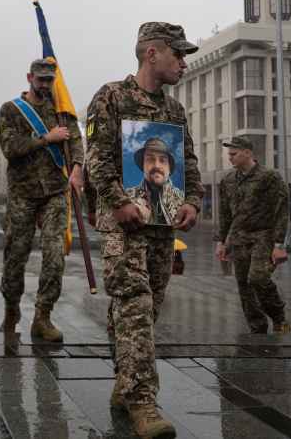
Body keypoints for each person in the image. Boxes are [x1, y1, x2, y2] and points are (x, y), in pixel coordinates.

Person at [85, 22, 203, 438]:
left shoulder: (174, 112)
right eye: (178, 53)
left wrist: (192, 201)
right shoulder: (111, 96)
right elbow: (96, 158)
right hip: (122, 222)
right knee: (133, 299)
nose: (184, 62)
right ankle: (143, 402)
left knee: (147, 307)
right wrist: (119, 202)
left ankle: (125, 379)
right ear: (152, 53)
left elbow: (188, 161)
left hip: (161, 223)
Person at [0, 59, 83, 341]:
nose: (45, 85)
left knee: (55, 255)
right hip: (23, 192)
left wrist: (78, 167)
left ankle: (42, 316)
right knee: (15, 256)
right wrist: (46, 138)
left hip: (55, 191)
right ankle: (11, 309)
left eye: (49, 80)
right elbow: (11, 148)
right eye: (41, 79)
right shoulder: (11, 110)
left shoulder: (61, 111)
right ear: (29, 77)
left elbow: (76, 140)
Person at [214, 136, 291, 334]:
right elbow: (224, 213)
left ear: (248, 153)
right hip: (238, 238)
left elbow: (281, 210)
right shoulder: (228, 180)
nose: (229, 158)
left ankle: (279, 317)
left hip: (263, 236)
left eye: (234, 154)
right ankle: (257, 328)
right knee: (244, 286)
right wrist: (221, 242)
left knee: (257, 278)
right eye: (229, 154)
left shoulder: (269, 177)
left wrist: (279, 244)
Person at [126, 138, 185, 226]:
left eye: (162, 160)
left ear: (169, 168)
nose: (157, 165)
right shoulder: (126, 198)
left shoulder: (183, 199)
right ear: (143, 165)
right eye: (150, 159)